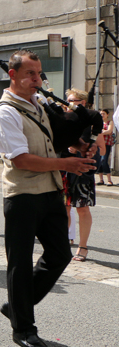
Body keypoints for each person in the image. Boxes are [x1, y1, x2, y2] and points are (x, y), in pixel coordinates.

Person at [0, 50, 96, 347]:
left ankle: (18, 305)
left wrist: (80, 145)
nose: (38, 79)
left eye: (38, 74)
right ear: (13, 75)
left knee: (60, 254)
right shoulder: (5, 113)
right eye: (31, 74)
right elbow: (21, 160)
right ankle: (23, 328)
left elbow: (55, 137)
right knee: (20, 264)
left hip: (49, 192)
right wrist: (67, 164)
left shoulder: (38, 103)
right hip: (22, 196)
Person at [62, 89, 103, 263]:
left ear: (83, 103)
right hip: (62, 168)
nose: (68, 104)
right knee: (63, 209)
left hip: (83, 170)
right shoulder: (62, 119)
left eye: (73, 100)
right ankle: (62, 244)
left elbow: (100, 148)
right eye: (67, 100)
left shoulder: (91, 122)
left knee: (82, 209)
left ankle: (83, 246)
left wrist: (90, 149)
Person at [97, 109, 114, 185]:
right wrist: (103, 131)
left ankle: (109, 179)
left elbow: (109, 131)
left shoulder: (110, 122)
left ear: (107, 114)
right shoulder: (98, 122)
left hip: (107, 144)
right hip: (99, 144)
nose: (102, 115)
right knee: (99, 161)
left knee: (104, 160)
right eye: (101, 114)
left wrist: (101, 131)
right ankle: (101, 179)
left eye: (103, 113)